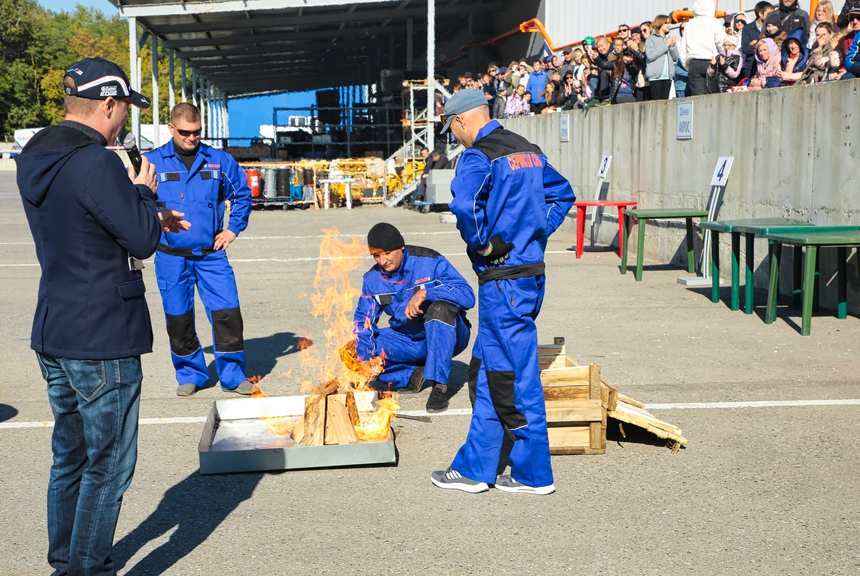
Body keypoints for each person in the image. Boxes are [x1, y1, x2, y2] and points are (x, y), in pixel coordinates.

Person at [15, 57, 189, 575]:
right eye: (124, 111)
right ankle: (86, 569)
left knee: (69, 457)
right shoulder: (96, 162)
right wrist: (142, 193)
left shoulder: (38, 155)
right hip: (102, 334)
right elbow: (139, 240)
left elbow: (83, 223)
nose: (125, 124)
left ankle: (65, 560)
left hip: (57, 325)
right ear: (107, 104)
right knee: (108, 464)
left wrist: (142, 213)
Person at [432, 89, 575, 495]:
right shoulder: (527, 149)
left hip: (502, 278)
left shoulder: (478, 155)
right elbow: (561, 194)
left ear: (461, 121)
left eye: (452, 129)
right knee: (490, 372)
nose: (455, 137)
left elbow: (464, 206)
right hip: (527, 274)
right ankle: (476, 468)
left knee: (514, 376)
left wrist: (483, 244)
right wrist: (534, 232)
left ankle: (533, 474)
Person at [145, 103, 255, 397]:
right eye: (184, 133)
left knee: (227, 315)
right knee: (178, 319)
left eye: (196, 133)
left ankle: (232, 374)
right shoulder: (152, 162)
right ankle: (190, 373)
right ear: (171, 129)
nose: (191, 138)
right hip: (171, 258)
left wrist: (232, 229)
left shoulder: (219, 161)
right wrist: (155, 217)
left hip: (212, 257)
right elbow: (135, 200)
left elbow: (242, 194)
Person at [351, 223, 474, 413]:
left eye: (387, 252)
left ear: (401, 247)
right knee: (353, 351)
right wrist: (365, 359)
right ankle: (412, 376)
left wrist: (427, 292)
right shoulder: (372, 279)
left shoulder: (430, 261)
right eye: (376, 255)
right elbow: (363, 321)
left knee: (439, 310)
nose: (382, 260)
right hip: (408, 340)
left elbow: (467, 295)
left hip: (448, 333)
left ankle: (439, 387)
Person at [681, 0, 726, 96]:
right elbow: (722, 41)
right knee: (711, 95)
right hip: (711, 61)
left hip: (694, 62)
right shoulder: (714, 22)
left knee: (697, 97)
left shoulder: (689, 25)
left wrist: (687, 65)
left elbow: (683, 49)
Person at [645, 14, 680, 100]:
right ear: (660, 24)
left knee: (664, 103)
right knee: (657, 103)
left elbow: (676, 57)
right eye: (666, 23)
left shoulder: (668, 38)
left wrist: (672, 46)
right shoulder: (651, 39)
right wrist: (666, 45)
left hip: (667, 76)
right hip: (655, 77)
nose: (669, 25)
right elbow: (651, 55)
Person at [742, 2, 776, 79]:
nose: (771, 15)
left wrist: (755, 43)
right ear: (760, 14)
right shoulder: (748, 28)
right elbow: (745, 49)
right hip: (751, 67)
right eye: (769, 13)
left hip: (768, 67)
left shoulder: (771, 28)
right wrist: (760, 45)